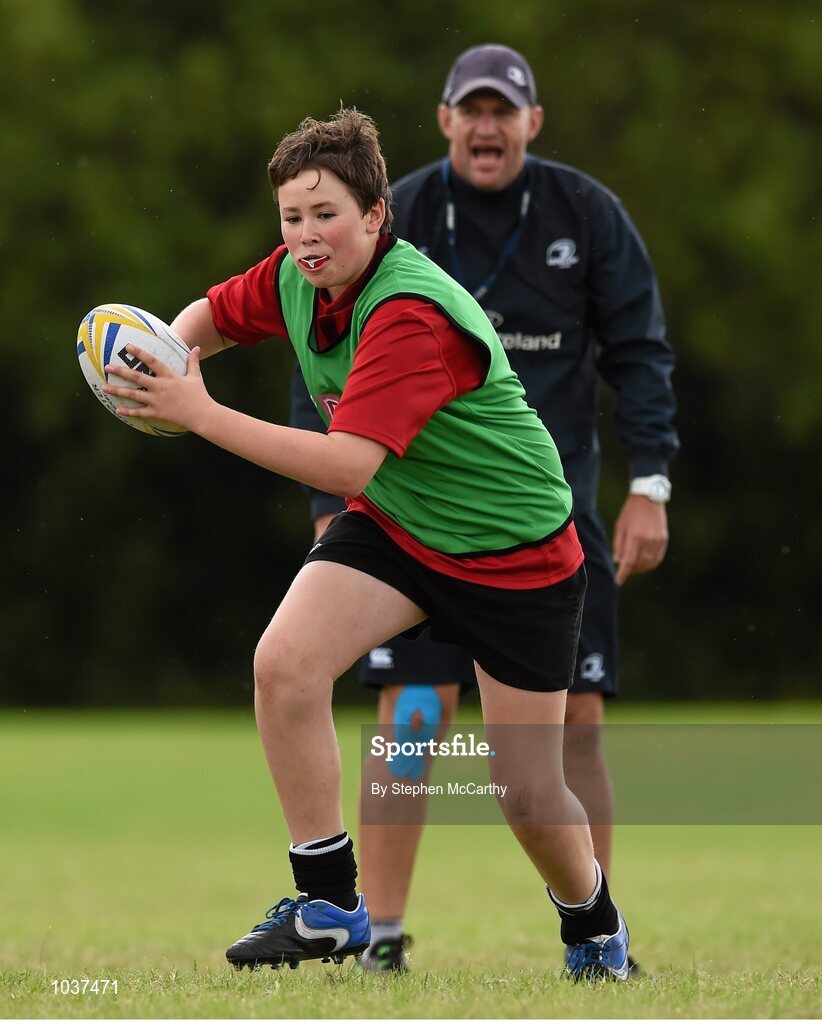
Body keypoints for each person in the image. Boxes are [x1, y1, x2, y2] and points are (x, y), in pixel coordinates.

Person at [103, 107, 632, 981]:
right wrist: (157, 352)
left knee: (527, 795)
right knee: (286, 664)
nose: (306, 237)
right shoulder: (298, 278)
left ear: (377, 215)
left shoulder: (411, 314)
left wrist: (197, 412)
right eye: (292, 217)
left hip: (517, 555)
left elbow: (348, 466)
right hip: (403, 523)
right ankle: (330, 904)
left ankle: (594, 925)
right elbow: (214, 314)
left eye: (326, 216)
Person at [290, 45, 678, 973]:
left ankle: (593, 929)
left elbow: (641, 352)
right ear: (445, 118)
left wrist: (651, 484)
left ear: (533, 123)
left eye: (506, 110)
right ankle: (378, 935)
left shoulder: (587, 215)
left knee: (569, 728)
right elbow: (319, 354)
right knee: (413, 708)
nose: (488, 125)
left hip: (548, 519)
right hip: (405, 513)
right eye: (473, 109)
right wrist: (327, 498)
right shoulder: (397, 211)